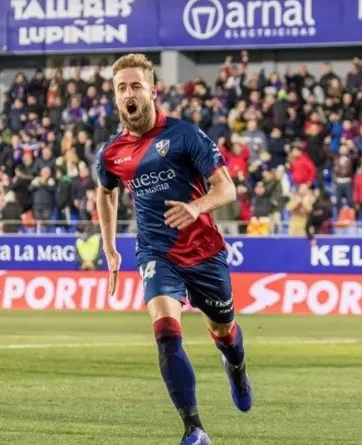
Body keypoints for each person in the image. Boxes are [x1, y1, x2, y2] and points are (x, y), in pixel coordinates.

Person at [94, 53, 252, 445]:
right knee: (165, 332)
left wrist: (196, 207)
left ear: (152, 90)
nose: (128, 93)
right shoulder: (112, 153)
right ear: (115, 97)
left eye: (135, 85)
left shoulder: (184, 135)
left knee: (224, 331)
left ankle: (235, 366)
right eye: (121, 88)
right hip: (155, 253)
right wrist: (110, 246)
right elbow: (106, 193)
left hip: (204, 251)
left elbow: (227, 188)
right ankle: (194, 429)